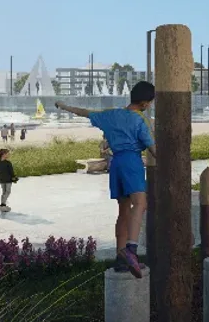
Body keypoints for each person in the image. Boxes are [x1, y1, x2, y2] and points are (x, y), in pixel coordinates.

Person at [55, 82, 156, 278]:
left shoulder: (110, 114)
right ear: (144, 102)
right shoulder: (140, 120)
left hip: (115, 163)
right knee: (141, 203)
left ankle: (120, 257)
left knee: (124, 210)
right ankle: (131, 250)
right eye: (150, 102)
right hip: (131, 162)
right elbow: (152, 149)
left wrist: (64, 106)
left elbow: (84, 112)